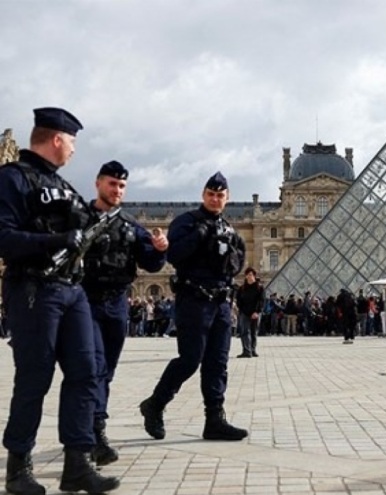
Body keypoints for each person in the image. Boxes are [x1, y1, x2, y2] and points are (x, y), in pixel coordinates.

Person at [0, 107, 120, 494]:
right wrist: (53, 242)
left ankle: (78, 463)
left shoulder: (63, 185)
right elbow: (3, 237)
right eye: (71, 141)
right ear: (56, 139)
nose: (73, 149)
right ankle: (18, 468)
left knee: (87, 373)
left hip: (72, 290)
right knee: (35, 378)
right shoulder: (12, 179)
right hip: (34, 288)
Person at [139, 171, 248, 442]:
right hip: (194, 300)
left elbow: (238, 264)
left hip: (221, 302)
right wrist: (199, 235)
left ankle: (215, 419)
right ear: (203, 195)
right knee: (189, 359)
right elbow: (173, 255)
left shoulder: (230, 230)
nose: (215, 199)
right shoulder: (186, 222)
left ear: (227, 198)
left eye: (220, 195)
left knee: (217, 363)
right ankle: (155, 404)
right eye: (211, 194)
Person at [81, 160, 168, 466]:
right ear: (98, 183)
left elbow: (152, 264)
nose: (116, 190)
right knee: (92, 367)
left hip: (117, 302)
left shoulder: (130, 225)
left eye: (121, 186)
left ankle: (93, 429)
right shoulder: (79, 218)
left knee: (106, 370)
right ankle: (93, 433)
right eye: (111, 184)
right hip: (84, 301)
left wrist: (159, 248)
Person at [235, 267, 265, 357]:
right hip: (244, 313)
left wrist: (257, 311)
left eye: (251, 275)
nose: (249, 277)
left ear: (254, 276)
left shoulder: (260, 288)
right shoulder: (242, 288)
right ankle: (246, 350)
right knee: (245, 332)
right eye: (247, 275)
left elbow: (261, 301)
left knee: (253, 332)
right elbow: (238, 300)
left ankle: (252, 349)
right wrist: (242, 311)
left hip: (255, 313)